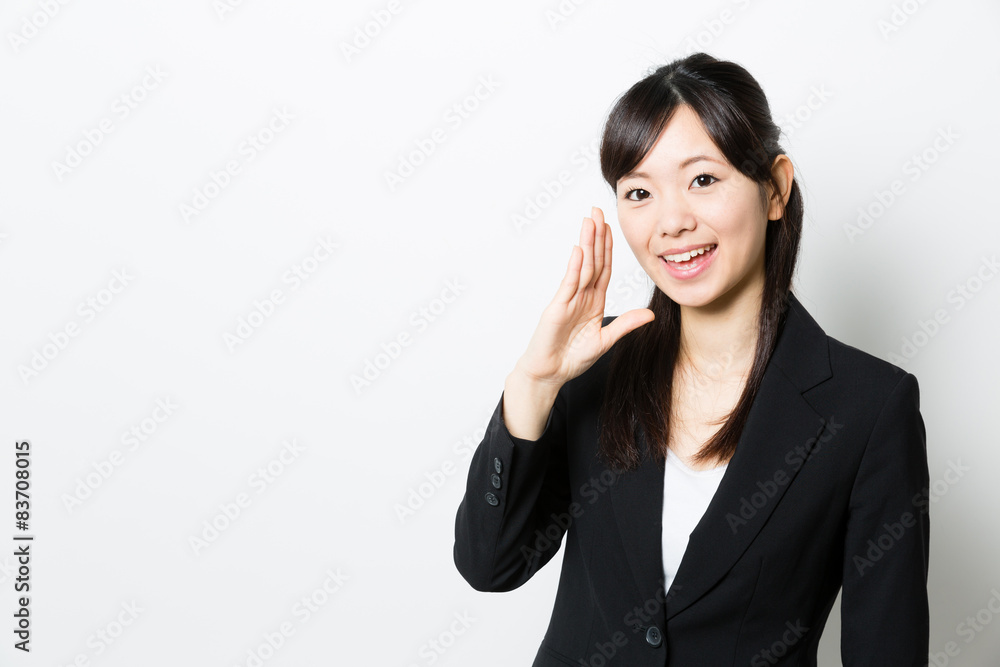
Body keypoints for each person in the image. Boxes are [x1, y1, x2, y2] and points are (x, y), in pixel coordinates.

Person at [453, 52, 929, 666]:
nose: (672, 222)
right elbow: (490, 565)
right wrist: (533, 383)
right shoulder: (592, 365)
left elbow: (886, 650)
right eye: (640, 192)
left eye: (703, 179)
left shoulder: (869, 407)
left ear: (776, 188)